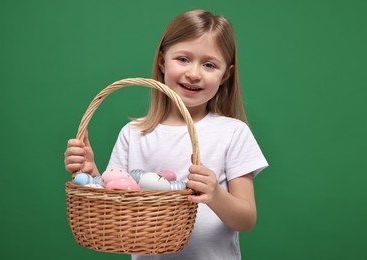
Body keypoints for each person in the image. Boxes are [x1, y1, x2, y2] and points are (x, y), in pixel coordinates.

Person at [64, 9, 268, 260]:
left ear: (225, 75)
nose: (194, 73)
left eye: (209, 64)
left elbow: (246, 220)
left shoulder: (233, 133)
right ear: (162, 61)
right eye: (183, 59)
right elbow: (117, 197)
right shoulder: (134, 134)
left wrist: (215, 195)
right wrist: (90, 173)